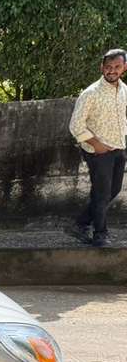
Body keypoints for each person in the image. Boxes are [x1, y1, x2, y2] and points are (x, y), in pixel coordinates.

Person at [67, 48, 127, 247]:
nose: (112, 71)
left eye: (117, 67)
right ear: (102, 67)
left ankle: (80, 223)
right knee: (101, 194)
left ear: (124, 68)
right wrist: (97, 145)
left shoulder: (124, 89)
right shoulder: (90, 93)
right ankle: (100, 234)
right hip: (98, 152)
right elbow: (75, 125)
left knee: (114, 190)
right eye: (108, 67)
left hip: (119, 147)